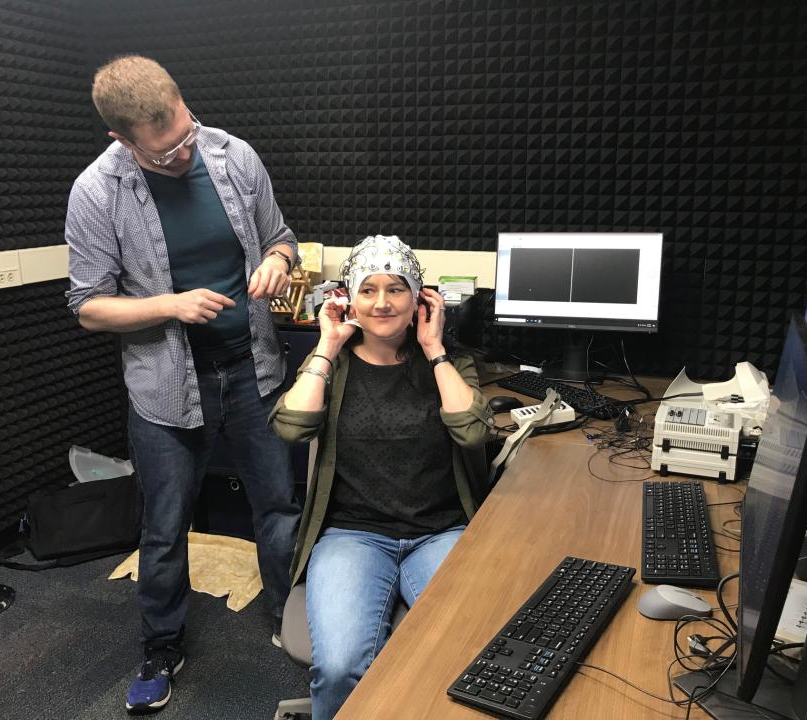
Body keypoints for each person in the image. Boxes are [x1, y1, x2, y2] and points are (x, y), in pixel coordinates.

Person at [64, 55, 300, 714]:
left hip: (253, 372)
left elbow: (281, 239)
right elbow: (88, 306)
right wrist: (170, 306)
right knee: (164, 529)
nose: (185, 152)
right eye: (167, 154)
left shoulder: (233, 156)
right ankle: (162, 646)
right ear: (123, 140)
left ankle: (286, 616)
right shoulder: (96, 192)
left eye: (187, 132)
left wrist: (279, 264)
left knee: (277, 508)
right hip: (166, 389)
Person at [271, 235, 495, 719]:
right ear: (348, 297)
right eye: (367, 290)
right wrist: (327, 347)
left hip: (441, 532)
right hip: (353, 535)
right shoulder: (334, 364)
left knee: (473, 656)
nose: (382, 302)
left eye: (396, 289)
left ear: (419, 298)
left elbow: (474, 432)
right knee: (340, 666)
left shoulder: (450, 362)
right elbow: (290, 427)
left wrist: (434, 349)